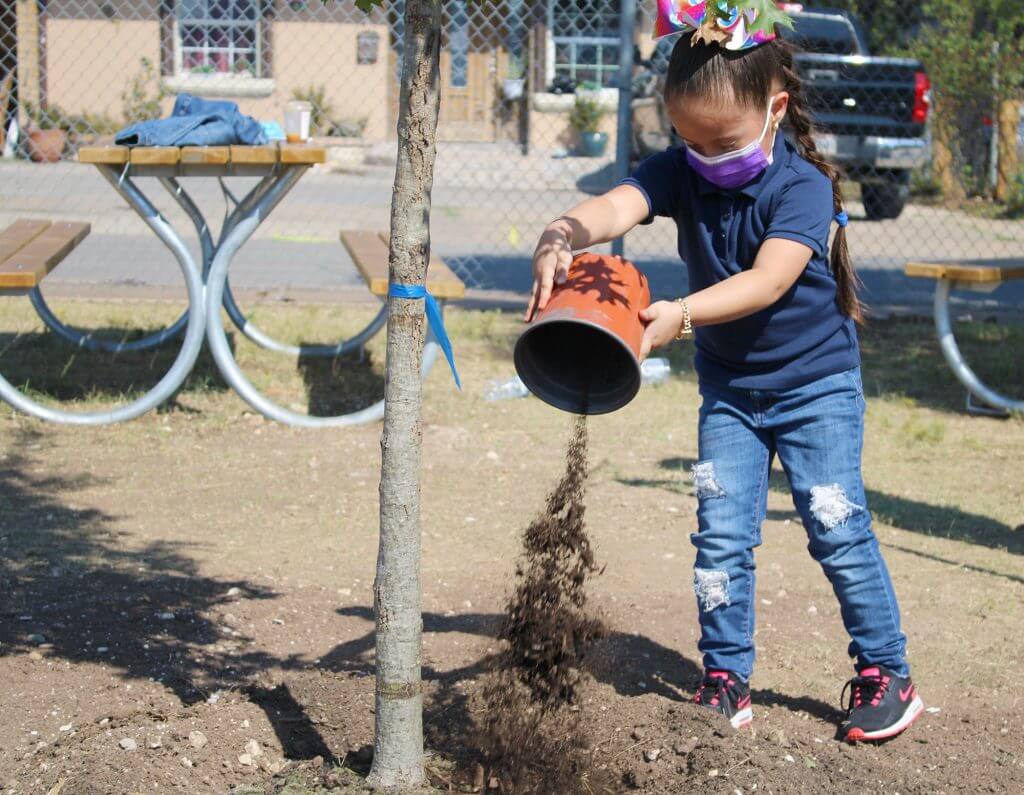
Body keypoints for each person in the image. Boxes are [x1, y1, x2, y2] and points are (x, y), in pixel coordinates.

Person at [525, 3, 922, 744]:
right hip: (732, 394)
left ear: (775, 109)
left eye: (723, 139)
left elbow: (769, 280)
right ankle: (725, 675)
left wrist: (682, 313)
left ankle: (886, 672)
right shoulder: (684, 169)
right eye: (689, 139)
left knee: (836, 524)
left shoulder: (801, 187)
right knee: (721, 536)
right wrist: (563, 230)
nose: (704, 155)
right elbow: (618, 204)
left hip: (816, 386)